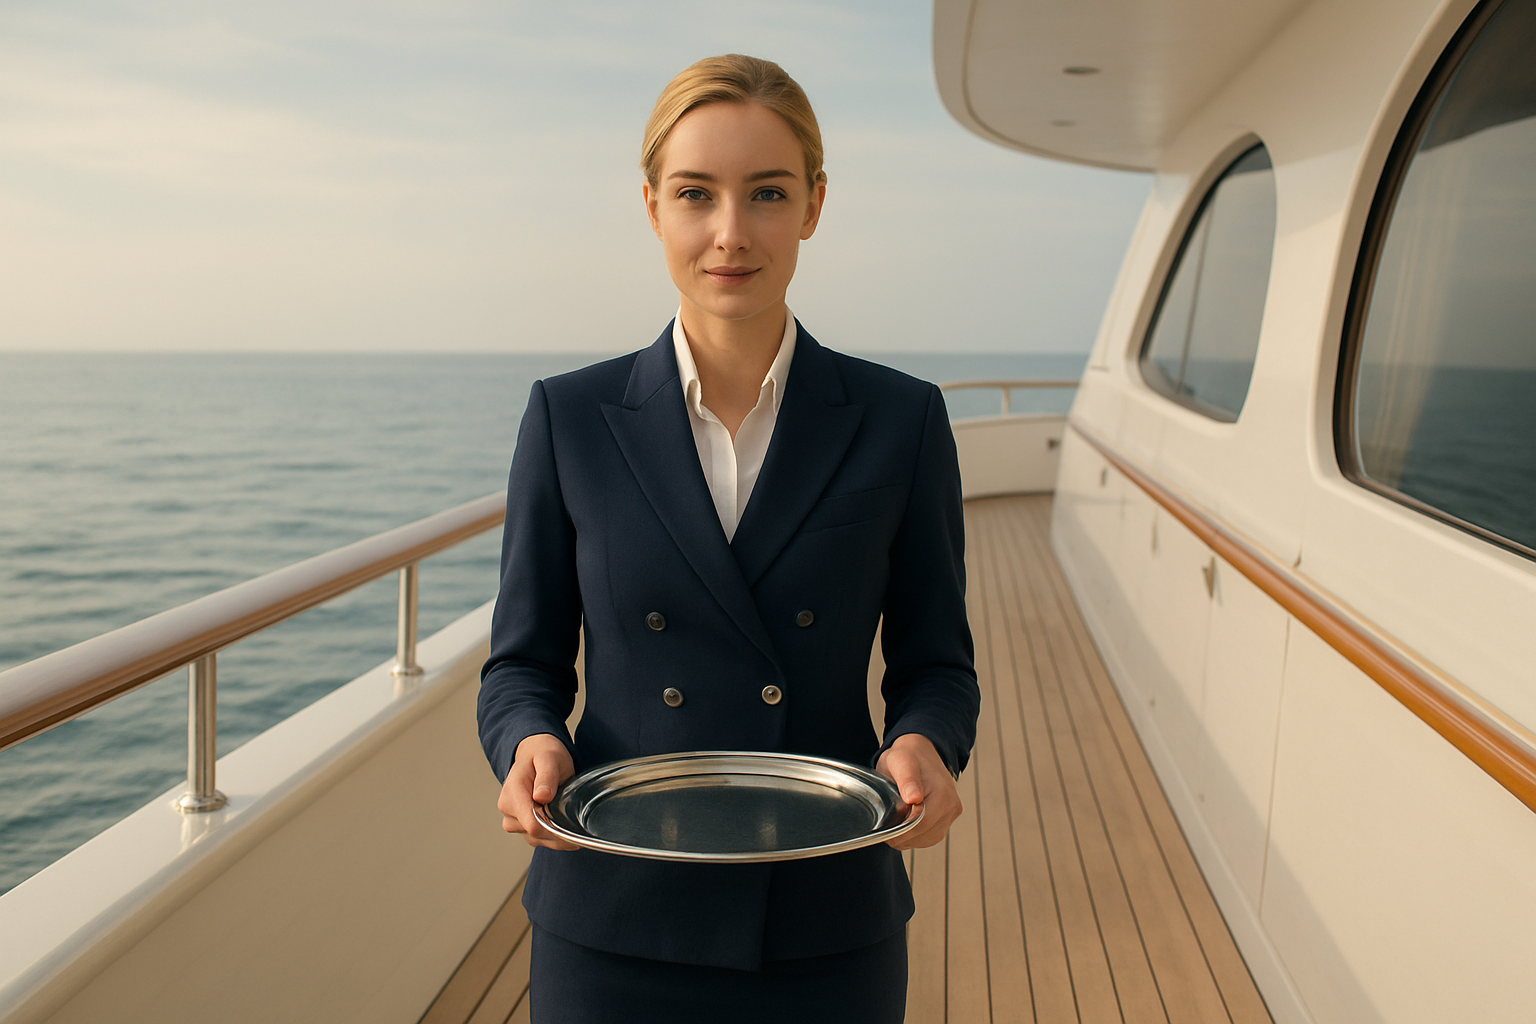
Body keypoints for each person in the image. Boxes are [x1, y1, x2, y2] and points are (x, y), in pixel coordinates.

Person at [478, 53, 980, 1023]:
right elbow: (520, 666)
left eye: (768, 194)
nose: (730, 234)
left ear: (815, 206)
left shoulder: (901, 420)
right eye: (696, 194)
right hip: (613, 913)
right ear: (653, 204)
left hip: (823, 916)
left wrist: (926, 740)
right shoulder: (569, 418)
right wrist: (527, 739)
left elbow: (938, 664)